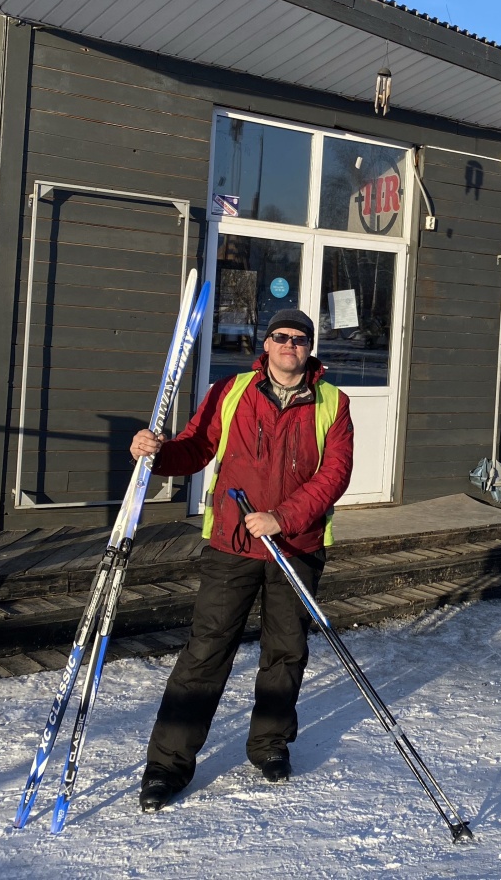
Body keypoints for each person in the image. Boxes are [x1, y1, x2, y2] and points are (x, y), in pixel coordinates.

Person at [132, 308, 353, 812]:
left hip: (296, 548)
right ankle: (167, 765)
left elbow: (333, 475)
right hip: (233, 545)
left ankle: (269, 744)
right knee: (205, 654)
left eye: (298, 339)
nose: (288, 345)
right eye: (280, 336)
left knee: (285, 651)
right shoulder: (230, 392)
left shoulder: (333, 404)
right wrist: (158, 453)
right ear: (266, 343)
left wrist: (284, 517)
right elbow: (195, 448)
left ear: (309, 348)